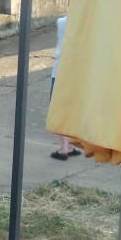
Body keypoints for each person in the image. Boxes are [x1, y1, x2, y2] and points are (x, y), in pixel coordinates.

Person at [49, 15, 80, 160]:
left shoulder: (61, 22)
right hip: (76, 72)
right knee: (71, 111)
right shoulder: (86, 23)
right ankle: (70, 146)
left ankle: (63, 148)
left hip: (60, 71)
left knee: (59, 111)